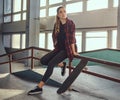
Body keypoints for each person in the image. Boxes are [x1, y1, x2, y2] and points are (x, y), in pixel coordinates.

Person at [28, 6, 79, 95]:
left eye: (64, 11)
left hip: (67, 49)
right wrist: (55, 47)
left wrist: (73, 52)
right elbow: (54, 37)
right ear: (58, 15)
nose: (63, 13)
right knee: (43, 60)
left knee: (51, 64)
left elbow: (72, 39)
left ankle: (39, 87)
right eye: (61, 12)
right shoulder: (57, 24)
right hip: (59, 48)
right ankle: (61, 64)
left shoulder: (70, 23)